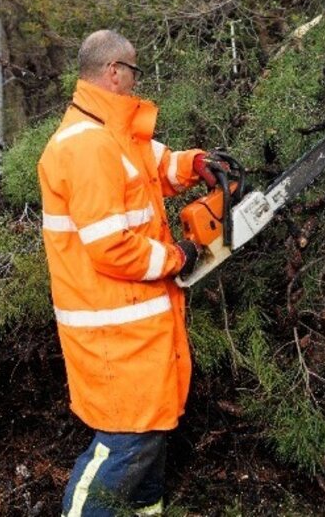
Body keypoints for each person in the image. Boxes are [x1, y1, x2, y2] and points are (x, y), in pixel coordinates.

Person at [37, 29, 224, 515]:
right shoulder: (87, 146)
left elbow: (154, 164)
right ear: (114, 72)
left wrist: (196, 164)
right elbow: (112, 248)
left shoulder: (114, 132)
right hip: (113, 330)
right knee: (129, 440)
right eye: (135, 71)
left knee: (152, 433)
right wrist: (178, 257)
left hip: (137, 321)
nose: (139, 82)